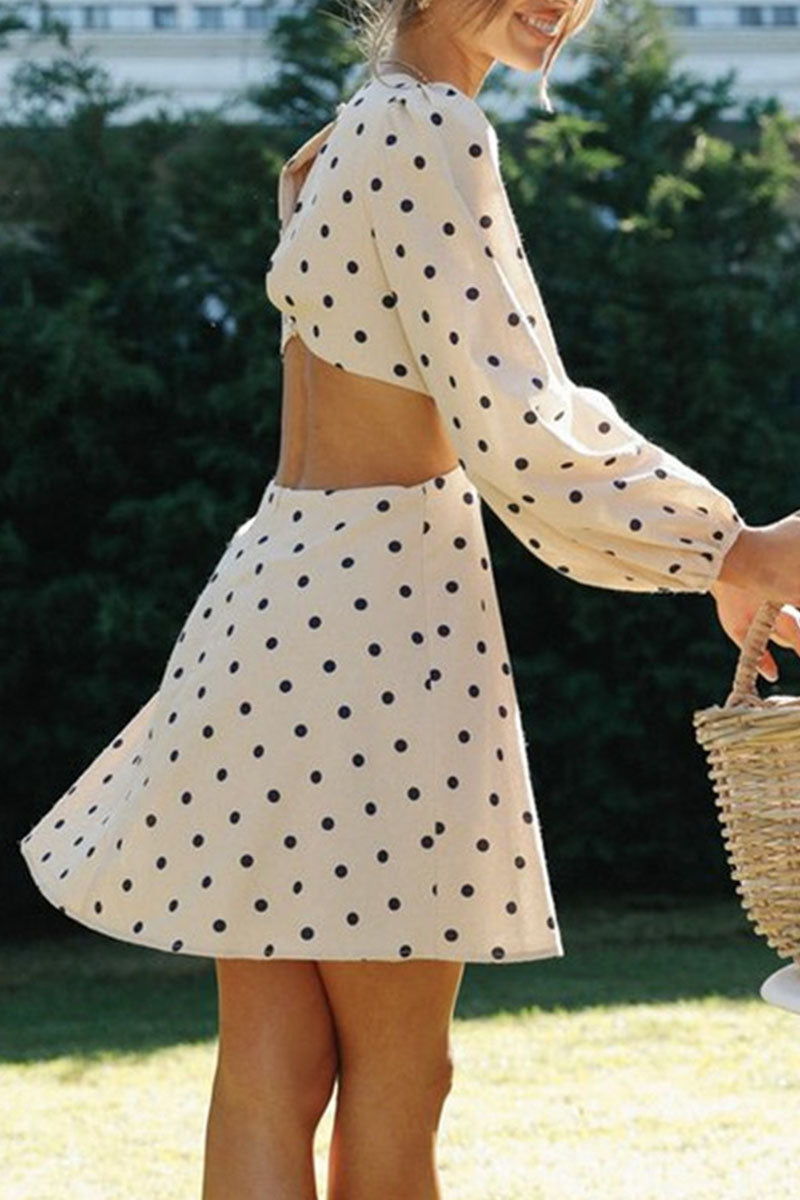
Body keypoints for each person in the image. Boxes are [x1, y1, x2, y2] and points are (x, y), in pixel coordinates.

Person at [17, 0, 800, 1197]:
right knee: (398, 1078)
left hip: (272, 606)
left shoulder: (346, 135)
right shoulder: (432, 130)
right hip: (380, 627)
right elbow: (519, 431)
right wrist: (726, 545)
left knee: (268, 1068)